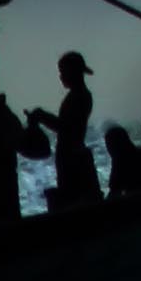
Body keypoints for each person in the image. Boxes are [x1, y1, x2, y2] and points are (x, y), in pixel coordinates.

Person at [22, 50, 99, 209]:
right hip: (71, 155)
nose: (61, 76)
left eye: (63, 72)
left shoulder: (79, 97)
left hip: (71, 158)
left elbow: (66, 127)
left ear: (73, 72)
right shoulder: (81, 96)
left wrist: (42, 116)